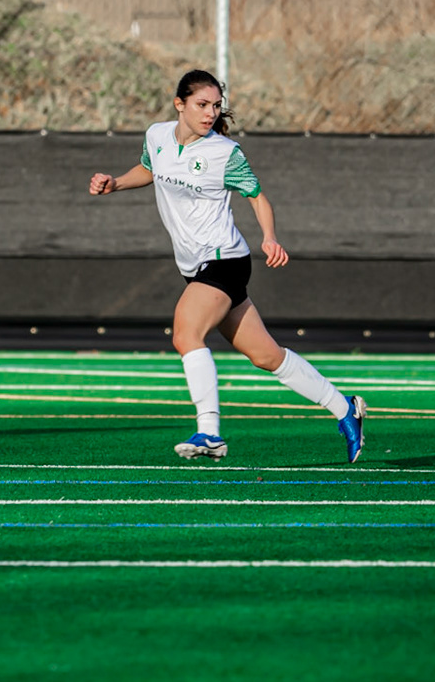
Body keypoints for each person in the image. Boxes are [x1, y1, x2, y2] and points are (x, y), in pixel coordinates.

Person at [89, 69, 366, 463]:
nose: (210, 113)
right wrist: (115, 183)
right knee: (266, 356)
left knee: (185, 333)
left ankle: (210, 432)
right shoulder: (157, 136)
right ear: (179, 104)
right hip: (195, 266)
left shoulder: (224, 153)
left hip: (224, 260)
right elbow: (150, 170)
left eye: (216, 106)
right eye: (202, 105)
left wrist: (269, 237)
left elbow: (257, 197)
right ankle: (345, 408)